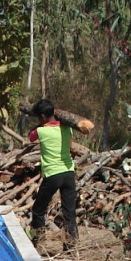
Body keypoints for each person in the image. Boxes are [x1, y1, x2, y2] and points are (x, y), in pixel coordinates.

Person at [27, 98, 78, 246]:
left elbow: (31, 138)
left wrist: (41, 124)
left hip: (53, 174)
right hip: (68, 172)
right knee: (69, 212)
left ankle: (38, 241)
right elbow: (70, 145)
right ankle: (71, 245)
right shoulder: (67, 129)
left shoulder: (41, 131)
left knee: (38, 209)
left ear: (42, 116)